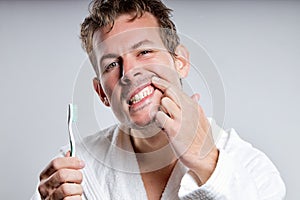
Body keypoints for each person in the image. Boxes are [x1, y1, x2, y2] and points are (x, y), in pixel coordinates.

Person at [32, 0, 286, 199]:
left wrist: (206, 161)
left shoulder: (252, 168)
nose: (129, 72)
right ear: (102, 94)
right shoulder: (73, 173)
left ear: (181, 62)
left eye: (144, 51)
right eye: (111, 64)